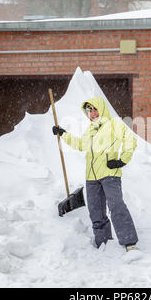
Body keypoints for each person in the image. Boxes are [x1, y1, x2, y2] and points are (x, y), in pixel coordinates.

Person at [52, 97, 138, 252]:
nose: (92, 113)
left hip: (109, 173)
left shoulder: (114, 125)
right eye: (89, 111)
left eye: (95, 109)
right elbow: (80, 145)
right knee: (95, 210)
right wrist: (63, 134)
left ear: (102, 109)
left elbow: (130, 140)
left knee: (116, 206)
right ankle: (103, 243)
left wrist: (122, 160)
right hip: (91, 177)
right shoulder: (90, 130)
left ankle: (129, 242)